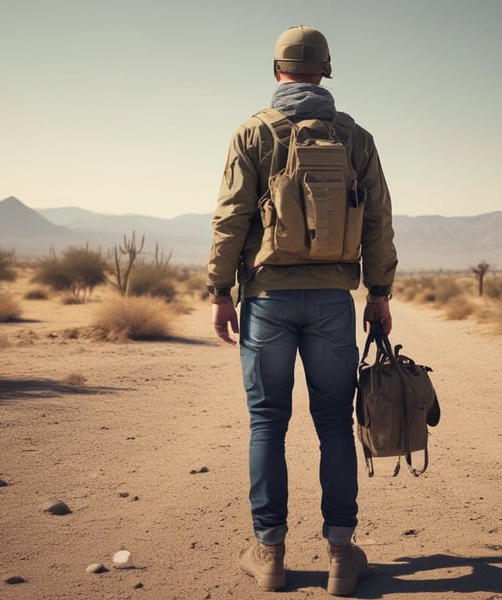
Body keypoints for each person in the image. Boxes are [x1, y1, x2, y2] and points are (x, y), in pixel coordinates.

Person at [206, 25, 397, 596]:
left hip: (265, 299)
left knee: (268, 422)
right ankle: (341, 554)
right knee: (334, 422)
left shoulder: (252, 134)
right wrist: (379, 293)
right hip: (333, 303)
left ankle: (269, 553)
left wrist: (220, 291)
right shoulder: (357, 138)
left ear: (276, 71)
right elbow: (380, 221)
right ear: (326, 72)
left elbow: (231, 218)